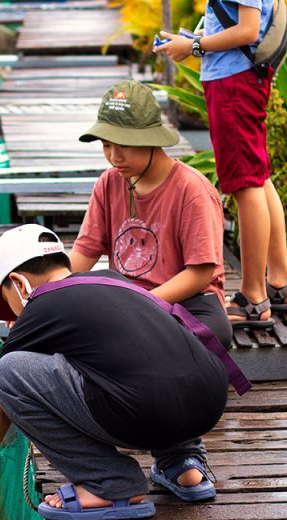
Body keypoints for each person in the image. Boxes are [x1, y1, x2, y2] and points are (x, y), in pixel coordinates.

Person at [0, 224, 229, 520]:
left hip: (144, 411)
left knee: (7, 374)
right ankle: (183, 465)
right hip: (210, 400)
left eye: (8, 303)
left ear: (20, 285)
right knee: (144, 363)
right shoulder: (113, 280)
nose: (12, 317)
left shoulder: (40, 306)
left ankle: (109, 483)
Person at [154, 0, 287, 329]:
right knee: (258, 177)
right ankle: (281, 283)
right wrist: (193, 40)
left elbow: (248, 30)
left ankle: (253, 297)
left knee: (245, 184)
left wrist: (193, 45)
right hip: (240, 78)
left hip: (234, 82)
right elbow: (243, 24)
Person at [69, 79, 233, 348]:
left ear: (151, 140)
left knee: (213, 332)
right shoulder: (108, 183)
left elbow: (200, 273)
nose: (113, 156)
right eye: (106, 145)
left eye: (124, 144)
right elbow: (83, 255)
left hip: (187, 299)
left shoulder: (191, 189)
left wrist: (143, 305)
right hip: (125, 297)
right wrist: (41, 291)